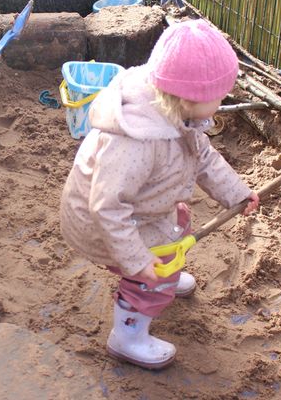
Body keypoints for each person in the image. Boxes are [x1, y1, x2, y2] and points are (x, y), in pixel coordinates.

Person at [60, 19, 259, 370]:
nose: (223, 101)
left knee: (179, 222)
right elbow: (106, 207)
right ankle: (128, 336)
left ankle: (156, 274)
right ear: (188, 98)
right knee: (153, 273)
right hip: (103, 223)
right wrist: (138, 261)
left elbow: (204, 159)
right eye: (219, 96)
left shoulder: (178, 115)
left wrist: (236, 193)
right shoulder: (135, 142)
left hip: (144, 210)